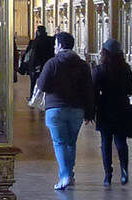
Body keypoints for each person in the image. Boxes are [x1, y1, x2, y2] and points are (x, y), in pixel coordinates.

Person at [31, 31, 95, 190]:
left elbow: (43, 85)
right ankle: (68, 174)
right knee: (70, 143)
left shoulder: (52, 63)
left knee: (59, 143)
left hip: (56, 109)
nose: (54, 47)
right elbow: (89, 90)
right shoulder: (82, 65)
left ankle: (65, 176)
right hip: (77, 110)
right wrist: (90, 113)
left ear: (59, 45)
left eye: (55, 45)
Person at [93, 39, 132, 186]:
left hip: (104, 108)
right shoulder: (126, 68)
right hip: (122, 107)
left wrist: (91, 110)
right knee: (121, 142)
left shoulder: (99, 69)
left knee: (105, 143)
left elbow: (93, 91)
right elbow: (131, 90)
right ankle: (124, 172)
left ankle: (108, 175)